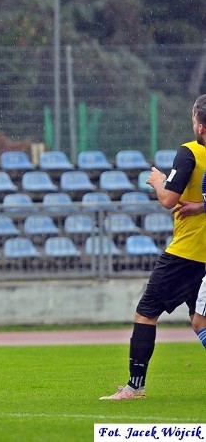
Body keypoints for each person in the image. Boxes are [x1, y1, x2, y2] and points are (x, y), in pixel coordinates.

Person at [100, 95, 206, 400]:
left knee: (146, 313)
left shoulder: (190, 153)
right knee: (200, 321)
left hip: (185, 253)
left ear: (199, 125)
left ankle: (135, 386)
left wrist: (158, 181)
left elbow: (168, 200)